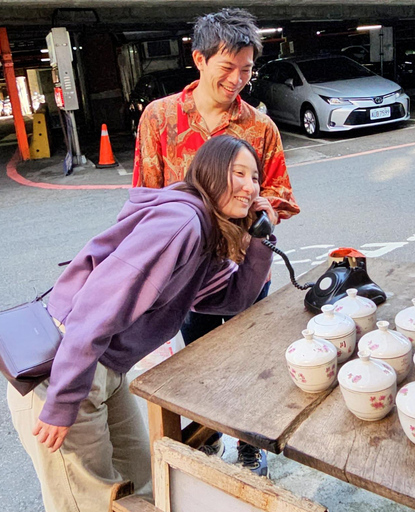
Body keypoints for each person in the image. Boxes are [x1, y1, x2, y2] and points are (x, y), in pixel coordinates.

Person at [8, 136, 276, 512]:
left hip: (106, 368)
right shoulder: (182, 223)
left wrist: (261, 240)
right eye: (239, 174)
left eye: (255, 178)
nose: (250, 187)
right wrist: (63, 401)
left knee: (146, 486)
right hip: (64, 370)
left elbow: (231, 298)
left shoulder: (205, 229)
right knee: (92, 504)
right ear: (211, 172)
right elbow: (97, 306)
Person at [131, 7, 299, 476]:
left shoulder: (259, 127)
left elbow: (282, 192)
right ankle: (207, 433)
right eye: (228, 68)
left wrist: (264, 205)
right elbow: (144, 199)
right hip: (187, 272)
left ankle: (249, 442)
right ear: (199, 59)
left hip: (247, 265)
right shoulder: (160, 118)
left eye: (246, 70)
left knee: (249, 357)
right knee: (201, 358)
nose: (237, 80)